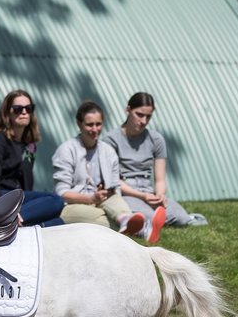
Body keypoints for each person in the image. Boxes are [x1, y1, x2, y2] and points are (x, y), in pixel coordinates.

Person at [101, 91, 206, 244]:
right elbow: (113, 180)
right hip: (125, 192)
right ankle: (144, 221)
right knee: (150, 217)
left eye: (148, 117)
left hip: (148, 191)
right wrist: (142, 197)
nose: (143, 121)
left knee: (182, 219)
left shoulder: (156, 139)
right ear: (128, 110)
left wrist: (160, 195)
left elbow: (160, 178)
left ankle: (156, 218)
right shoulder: (111, 140)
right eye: (139, 114)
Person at [52, 100, 143, 234]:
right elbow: (62, 193)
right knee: (101, 220)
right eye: (90, 125)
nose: (95, 130)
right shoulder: (66, 150)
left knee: (117, 203)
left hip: (103, 200)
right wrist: (91, 199)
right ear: (79, 123)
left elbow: (115, 187)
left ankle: (124, 218)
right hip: (72, 205)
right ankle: (132, 226)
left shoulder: (108, 151)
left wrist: (106, 193)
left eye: (98, 124)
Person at [0, 90, 63, 227]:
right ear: (7, 113)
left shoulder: (29, 145)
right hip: (0, 197)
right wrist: (5, 211)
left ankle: (21, 220)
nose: (24, 112)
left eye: (28, 108)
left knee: (58, 223)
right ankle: (8, 219)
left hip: (19, 197)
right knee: (56, 201)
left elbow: (27, 181)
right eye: (18, 109)